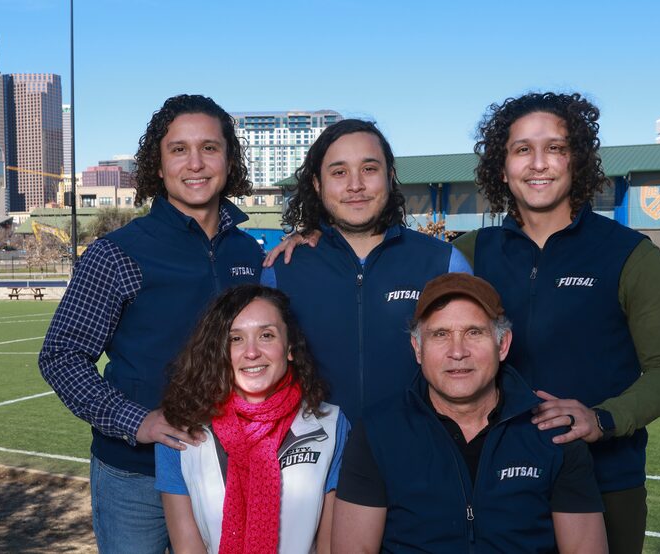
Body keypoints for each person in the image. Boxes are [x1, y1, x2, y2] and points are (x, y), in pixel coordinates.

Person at [454, 91, 660, 553]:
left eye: (556, 148)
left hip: (606, 481)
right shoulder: (466, 253)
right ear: (502, 168)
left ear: (577, 161)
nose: (539, 163)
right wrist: (320, 237)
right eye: (522, 149)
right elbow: (384, 260)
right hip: (494, 481)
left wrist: (602, 418)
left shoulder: (629, 254)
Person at [38, 94, 264, 553]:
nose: (195, 163)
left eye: (210, 147)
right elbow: (61, 356)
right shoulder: (117, 252)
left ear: (228, 159)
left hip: (228, 468)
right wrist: (135, 421)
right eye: (178, 149)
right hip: (134, 474)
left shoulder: (248, 252)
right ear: (158, 167)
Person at [333, 273, 607, 553]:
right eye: (440, 334)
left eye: (474, 332)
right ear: (418, 348)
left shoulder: (554, 433)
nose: (458, 352)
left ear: (502, 344)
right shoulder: (378, 432)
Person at [261, 119, 471, 423]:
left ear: (390, 176)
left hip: (418, 450)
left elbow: (476, 362)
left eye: (369, 169)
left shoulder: (444, 263)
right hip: (314, 460)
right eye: (339, 172)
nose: (355, 185)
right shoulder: (281, 270)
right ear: (318, 185)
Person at [155, 284, 348, 554]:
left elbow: (329, 547)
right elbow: (188, 547)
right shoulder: (179, 430)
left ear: (290, 346)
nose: (252, 352)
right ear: (218, 351)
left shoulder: (331, 424)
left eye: (266, 335)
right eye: (235, 339)